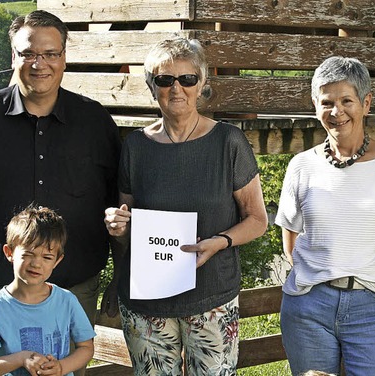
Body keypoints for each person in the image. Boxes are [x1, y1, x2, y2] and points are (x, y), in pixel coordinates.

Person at [0, 10, 121, 376]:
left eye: (50, 54)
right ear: (13, 56)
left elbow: (119, 208)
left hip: (71, 293)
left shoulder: (95, 122)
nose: (39, 64)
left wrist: (122, 274)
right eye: (28, 53)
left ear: (64, 58)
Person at [103, 37, 268, 375]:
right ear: (152, 87)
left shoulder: (228, 142)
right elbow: (127, 226)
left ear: (201, 84)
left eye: (187, 79)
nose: (176, 88)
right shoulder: (135, 146)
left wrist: (220, 241)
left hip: (211, 299)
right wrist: (118, 226)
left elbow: (257, 220)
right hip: (146, 302)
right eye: (164, 80)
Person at [275, 56, 375, 376]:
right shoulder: (301, 166)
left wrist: (367, 274)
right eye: (327, 102)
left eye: (347, 101)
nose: (337, 111)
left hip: (374, 307)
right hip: (308, 309)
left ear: (366, 103)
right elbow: (290, 242)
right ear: (315, 105)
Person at [0, 206, 95, 376]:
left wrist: (62, 367)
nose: (36, 264)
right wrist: (21, 358)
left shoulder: (67, 301)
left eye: (47, 257)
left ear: (57, 261)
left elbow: (86, 348)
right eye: (28, 254)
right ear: (9, 252)